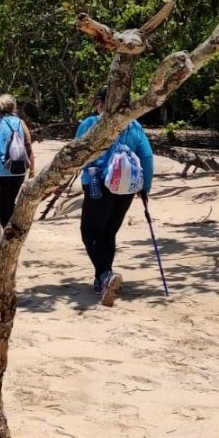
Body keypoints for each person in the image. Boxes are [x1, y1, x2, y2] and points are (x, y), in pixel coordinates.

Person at [75, 90, 153, 307]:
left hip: (98, 184)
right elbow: (146, 155)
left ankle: (105, 275)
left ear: (100, 103)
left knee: (90, 233)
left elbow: (76, 152)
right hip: (127, 188)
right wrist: (145, 188)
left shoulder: (91, 123)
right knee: (108, 232)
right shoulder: (134, 125)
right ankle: (102, 279)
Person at [0, 93, 36, 227]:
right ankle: (12, 226)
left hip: (1, 169)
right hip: (19, 168)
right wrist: (32, 168)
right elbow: (28, 146)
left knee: (4, 201)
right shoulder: (21, 123)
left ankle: (5, 229)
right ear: (13, 107)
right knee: (12, 199)